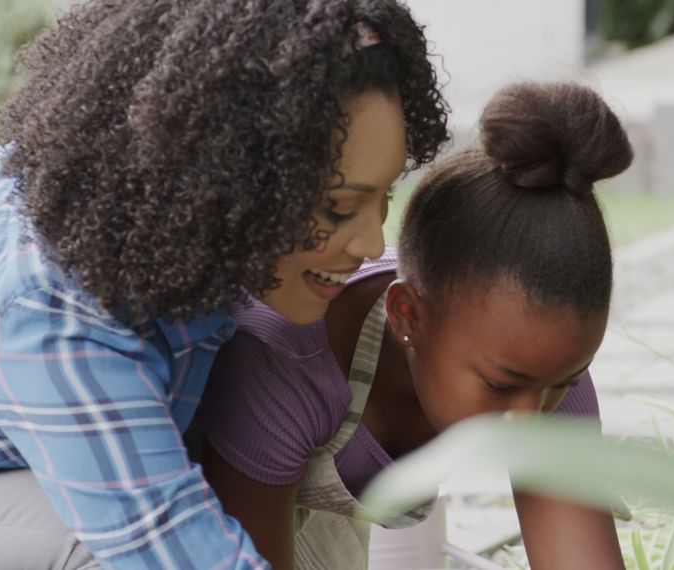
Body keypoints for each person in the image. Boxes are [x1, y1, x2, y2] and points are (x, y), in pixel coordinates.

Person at [0, 0, 448, 568]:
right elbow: (175, 548)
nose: (372, 243)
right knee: (98, 552)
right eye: (339, 206)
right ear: (218, 173)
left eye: (383, 196)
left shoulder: (140, 206)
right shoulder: (57, 319)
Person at [199, 81, 634, 569]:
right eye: (498, 384)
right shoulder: (282, 365)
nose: (528, 419)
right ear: (407, 314)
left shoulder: (537, 364)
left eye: (563, 382)